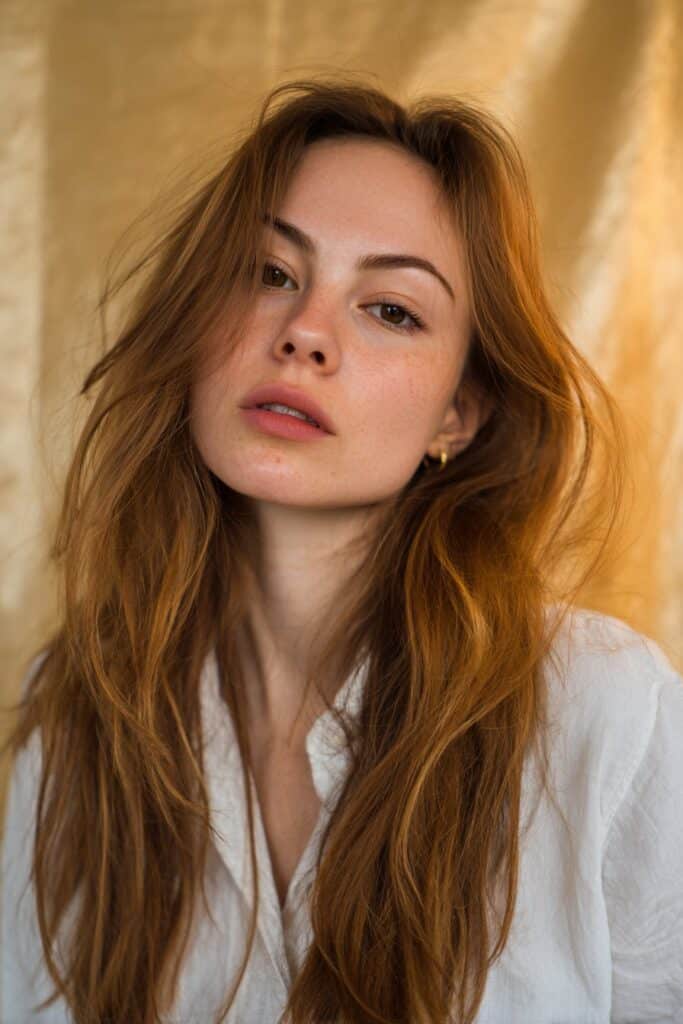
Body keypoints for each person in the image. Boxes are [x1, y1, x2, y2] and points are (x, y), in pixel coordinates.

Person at [1, 75, 682, 1024]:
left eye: (391, 310)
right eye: (270, 274)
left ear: (459, 411)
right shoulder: (77, 711)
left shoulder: (607, 714)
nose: (304, 335)